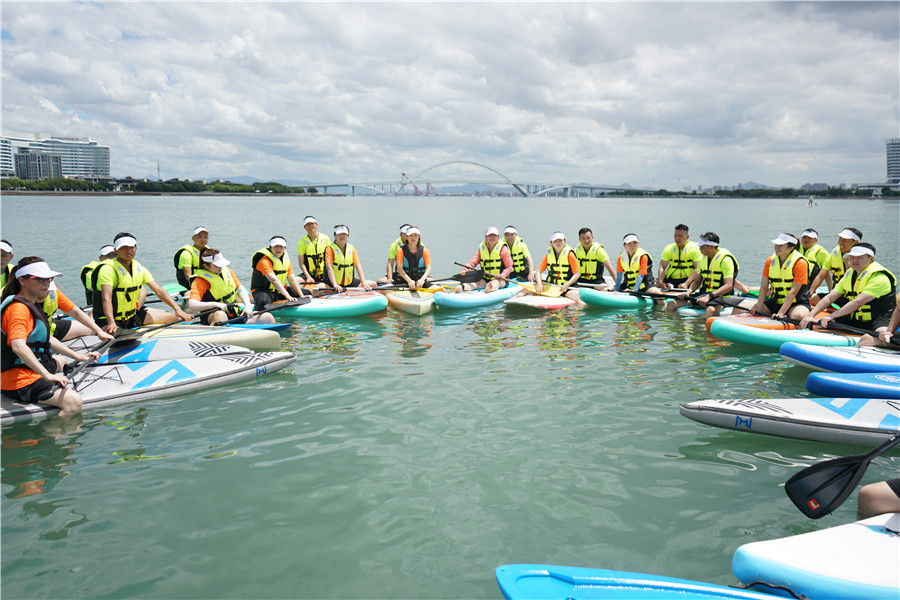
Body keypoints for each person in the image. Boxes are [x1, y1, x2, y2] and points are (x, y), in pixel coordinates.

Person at [2, 257, 100, 417]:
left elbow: (45, 338)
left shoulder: (31, 305)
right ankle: (50, 439)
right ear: (22, 280)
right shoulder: (18, 310)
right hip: (18, 379)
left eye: (49, 279)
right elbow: (18, 347)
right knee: (74, 402)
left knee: (61, 360)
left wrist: (78, 356)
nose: (46, 284)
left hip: (31, 369)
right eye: (40, 280)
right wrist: (47, 375)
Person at [92, 232, 192, 335]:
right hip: (109, 320)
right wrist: (111, 322)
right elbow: (106, 298)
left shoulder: (138, 268)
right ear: (116, 250)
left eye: (131, 247)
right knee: (122, 338)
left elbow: (158, 290)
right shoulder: (107, 269)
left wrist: (178, 309)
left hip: (132, 316)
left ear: (136, 248)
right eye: (124, 247)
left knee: (176, 317)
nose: (129, 251)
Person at [799, 243, 896, 341]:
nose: (855, 260)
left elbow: (857, 302)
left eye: (860, 257)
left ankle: (872, 342)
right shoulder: (850, 273)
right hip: (855, 317)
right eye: (852, 257)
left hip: (878, 319)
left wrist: (832, 316)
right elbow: (830, 297)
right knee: (820, 325)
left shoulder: (879, 277)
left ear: (871, 259)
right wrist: (811, 315)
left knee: (885, 336)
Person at [187, 248, 275, 325]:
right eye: (216, 265)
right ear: (206, 265)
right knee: (221, 315)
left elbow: (241, 290)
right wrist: (216, 304)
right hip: (213, 315)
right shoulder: (200, 281)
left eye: (221, 264)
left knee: (268, 317)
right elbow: (192, 304)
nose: (220, 267)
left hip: (234, 313)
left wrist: (247, 306)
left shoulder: (227, 271)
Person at [666, 232, 739, 317]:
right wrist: (688, 293)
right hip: (704, 295)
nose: (700, 249)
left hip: (721, 297)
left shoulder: (726, 260)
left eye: (702, 247)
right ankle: (674, 328)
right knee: (672, 304)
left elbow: (728, 285)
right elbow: (697, 282)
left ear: (711, 247)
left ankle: (700, 328)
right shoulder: (702, 259)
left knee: (710, 310)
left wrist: (710, 296)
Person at [743, 233, 811, 320]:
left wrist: (781, 313)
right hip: (775, 302)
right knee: (740, 308)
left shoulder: (800, 263)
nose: (776, 247)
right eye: (776, 244)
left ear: (791, 247)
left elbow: (793, 292)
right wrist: (759, 307)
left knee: (798, 316)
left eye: (781, 245)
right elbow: (764, 287)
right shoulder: (770, 260)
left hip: (796, 304)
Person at [251, 235, 311, 308]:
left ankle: (279, 298)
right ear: (270, 247)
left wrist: (302, 296)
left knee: (307, 292)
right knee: (264, 301)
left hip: (278, 291)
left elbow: (292, 279)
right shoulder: (264, 261)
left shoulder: (285, 259)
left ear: (285, 248)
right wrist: (288, 297)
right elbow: (274, 280)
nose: (278, 249)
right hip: (263, 290)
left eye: (281, 246)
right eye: (275, 246)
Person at [42, 282, 113, 342]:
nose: (44, 292)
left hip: (50, 329)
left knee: (93, 329)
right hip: (38, 337)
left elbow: (76, 313)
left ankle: (91, 321)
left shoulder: (53, 292)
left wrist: (99, 331)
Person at [455, 227, 513, 293]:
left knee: (495, 283)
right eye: (490, 235)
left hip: (501, 279)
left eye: (494, 235)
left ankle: (489, 288)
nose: (492, 237)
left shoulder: (503, 249)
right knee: (475, 284)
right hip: (485, 278)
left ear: (498, 237)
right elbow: (472, 262)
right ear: (486, 237)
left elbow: (509, 267)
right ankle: (461, 287)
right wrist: (464, 270)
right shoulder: (482, 249)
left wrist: (502, 275)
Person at [809, 227, 862, 296]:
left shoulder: (863, 258)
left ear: (856, 242)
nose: (841, 243)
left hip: (855, 295)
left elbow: (853, 278)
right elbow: (821, 276)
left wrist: (847, 261)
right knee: (813, 298)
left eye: (845, 240)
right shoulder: (834, 254)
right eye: (840, 239)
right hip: (837, 293)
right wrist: (810, 293)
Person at [533, 232, 582, 304]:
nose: (558, 243)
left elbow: (577, 274)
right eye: (555, 241)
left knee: (579, 299)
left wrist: (567, 284)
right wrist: (539, 284)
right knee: (526, 290)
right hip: (552, 285)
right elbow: (538, 271)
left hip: (567, 288)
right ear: (551, 243)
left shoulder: (570, 254)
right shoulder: (549, 255)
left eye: (560, 240)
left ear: (564, 241)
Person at [324, 224, 376, 292]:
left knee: (374, 284)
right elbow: (329, 268)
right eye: (339, 234)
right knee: (317, 289)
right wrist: (335, 284)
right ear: (335, 236)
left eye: (344, 234)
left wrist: (363, 282)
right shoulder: (330, 249)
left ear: (347, 236)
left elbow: (358, 266)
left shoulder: (351, 248)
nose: (342, 236)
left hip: (349, 283)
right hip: (332, 283)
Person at [657, 224, 701, 289]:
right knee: (656, 283)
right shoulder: (668, 248)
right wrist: (661, 282)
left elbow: (698, 268)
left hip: (688, 280)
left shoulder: (695, 248)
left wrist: (686, 284)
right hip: (671, 280)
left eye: (680, 236)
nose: (677, 238)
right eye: (675, 236)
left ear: (687, 236)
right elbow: (662, 267)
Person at [297, 216, 331, 284]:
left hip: (325, 273)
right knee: (295, 280)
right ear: (304, 227)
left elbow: (330, 259)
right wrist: (308, 276)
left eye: (312, 224)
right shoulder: (302, 242)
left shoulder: (325, 238)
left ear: (316, 225)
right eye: (308, 224)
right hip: (310, 274)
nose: (310, 226)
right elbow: (301, 263)